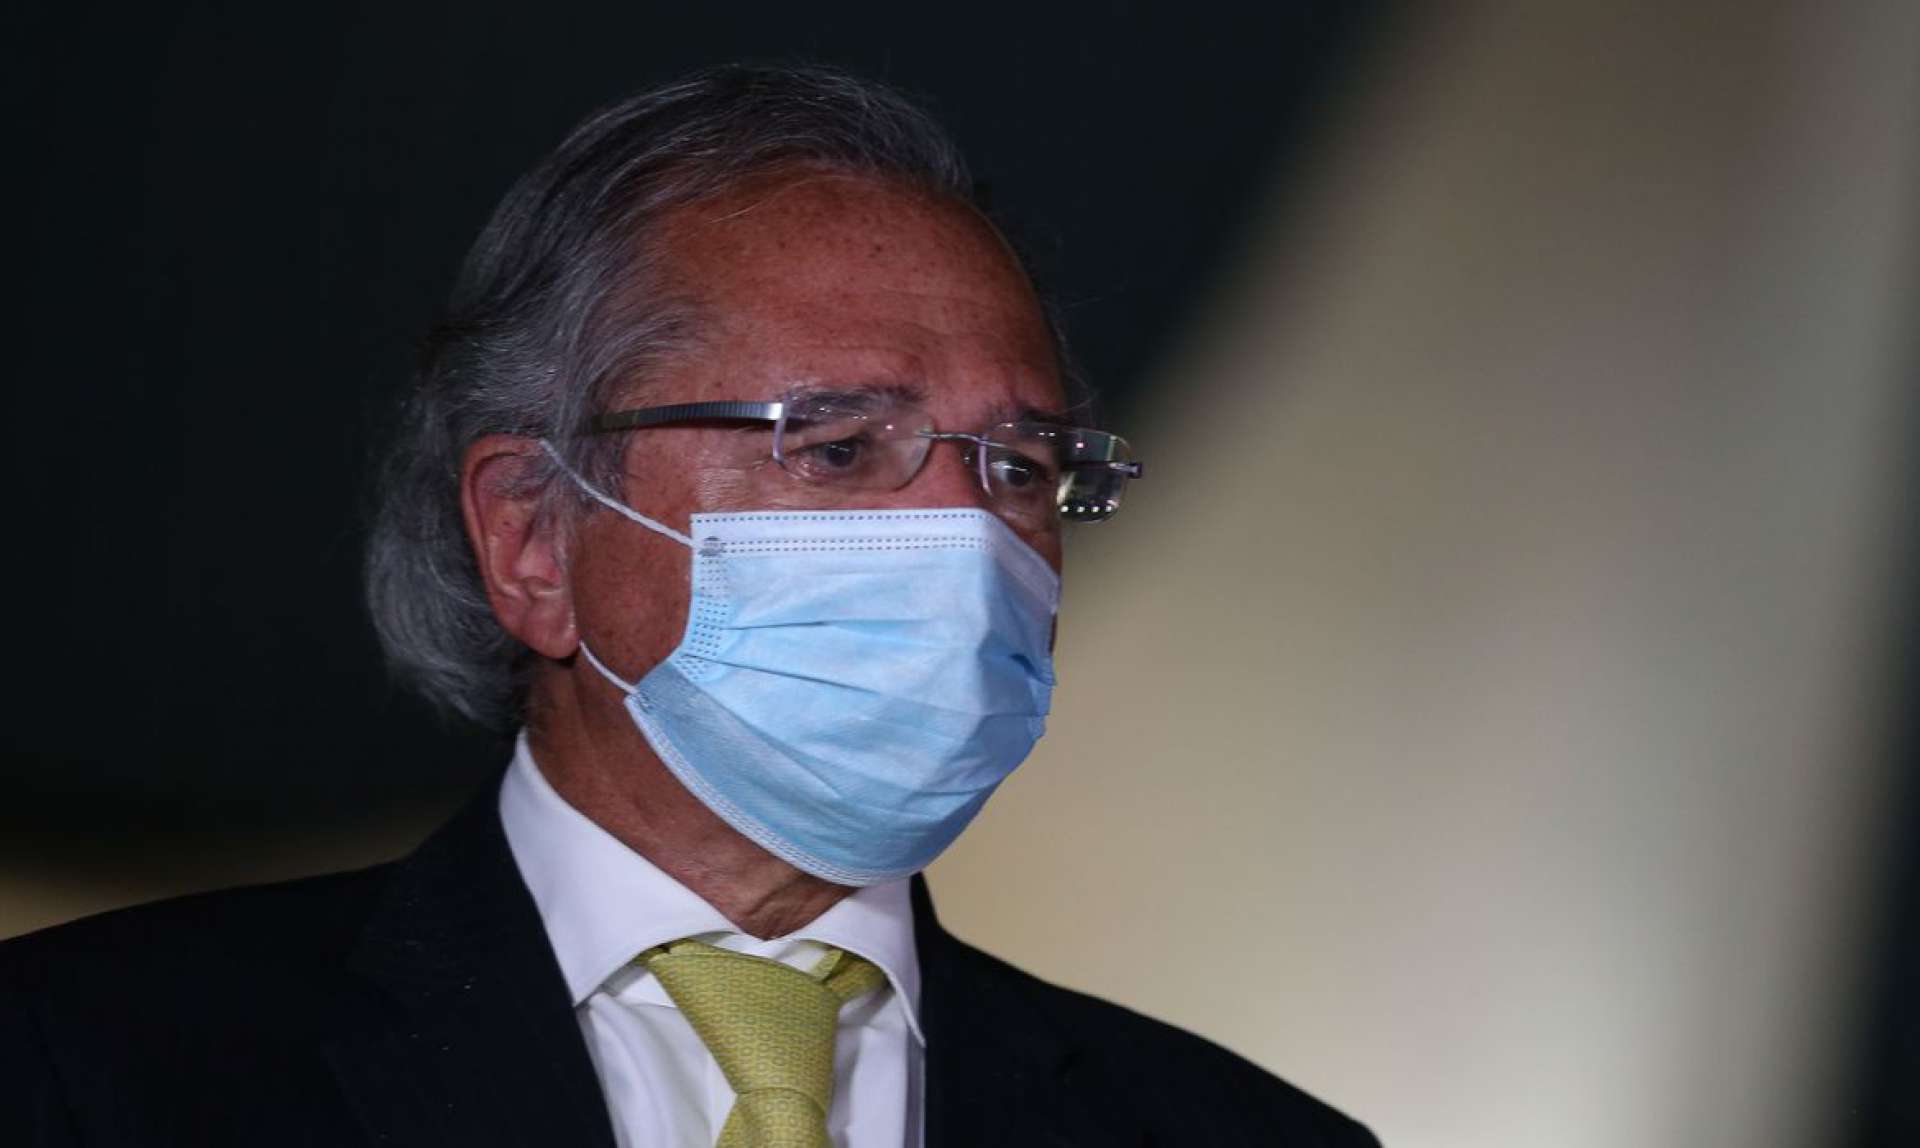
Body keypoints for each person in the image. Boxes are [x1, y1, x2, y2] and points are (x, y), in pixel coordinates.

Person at [1, 64, 1376, 1147]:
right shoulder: (79, 1070)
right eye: (839, 448)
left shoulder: (1244, 1136)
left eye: (1019, 467)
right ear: (533, 538)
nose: (967, 538)